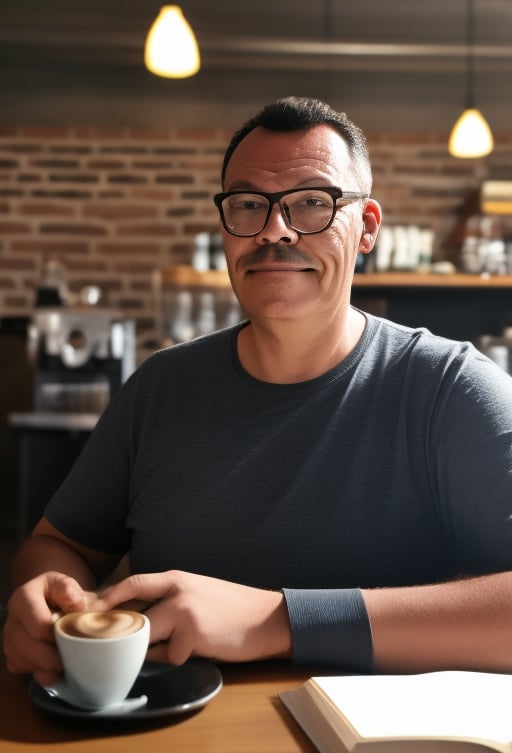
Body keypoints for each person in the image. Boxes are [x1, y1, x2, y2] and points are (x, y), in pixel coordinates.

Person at [5, 96, 512, 686]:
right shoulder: (160, 390)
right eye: (248, 204)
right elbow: (58, 546)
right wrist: (43, 593)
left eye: (312, 203)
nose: (275, 229)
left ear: (368, 227)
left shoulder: (451, 390)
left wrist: (278, 621)